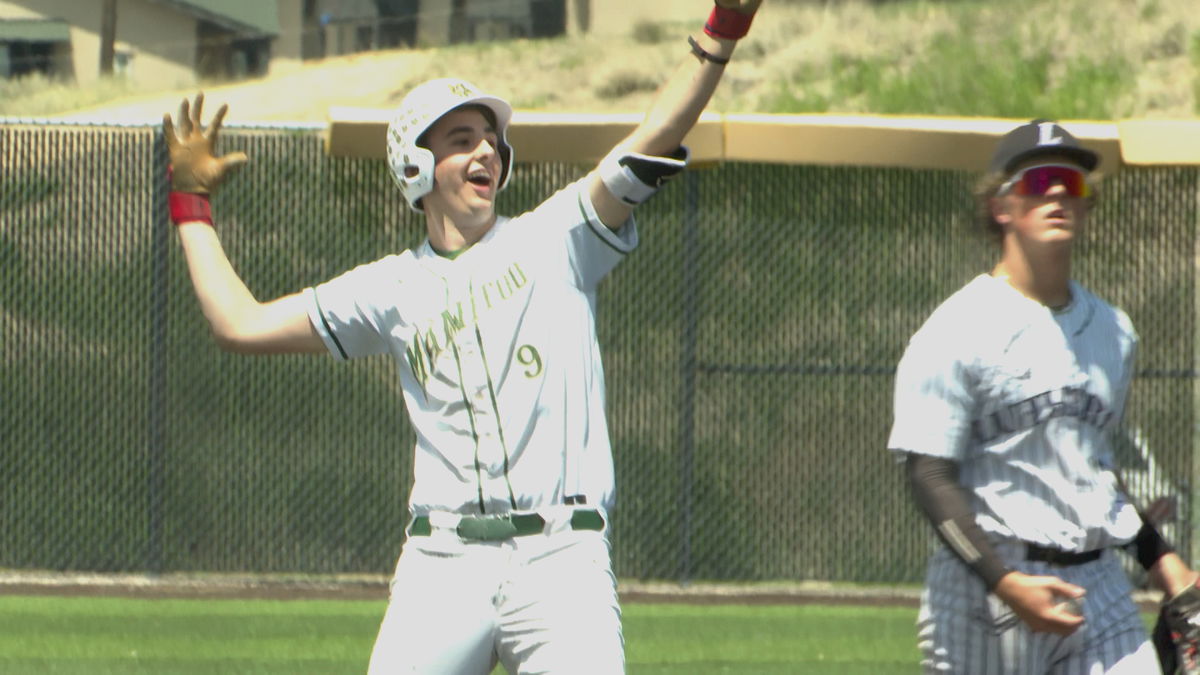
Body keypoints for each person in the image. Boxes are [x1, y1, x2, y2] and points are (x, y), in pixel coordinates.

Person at [160, 1, 763, 672]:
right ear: (416, 169)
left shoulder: (556, 237)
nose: (485, 149)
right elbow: (238, 324)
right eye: (460, 138)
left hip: (560, 558)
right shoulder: (387, 289)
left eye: (489, 138)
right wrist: (190, 203)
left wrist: (721, 31)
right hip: (441, 563)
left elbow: (652, 137)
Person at [887, 118, 1200, 674]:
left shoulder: (1113, 331)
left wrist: (1162, 560)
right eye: (1039, 181)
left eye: (1072, 184)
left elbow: (1093, 469)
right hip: (987, 584)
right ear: (1001, 207)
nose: (1057, 191)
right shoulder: (956, 329)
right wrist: (1005, 583)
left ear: (1085, 206)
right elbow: (929, 476)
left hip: (1098, 582)